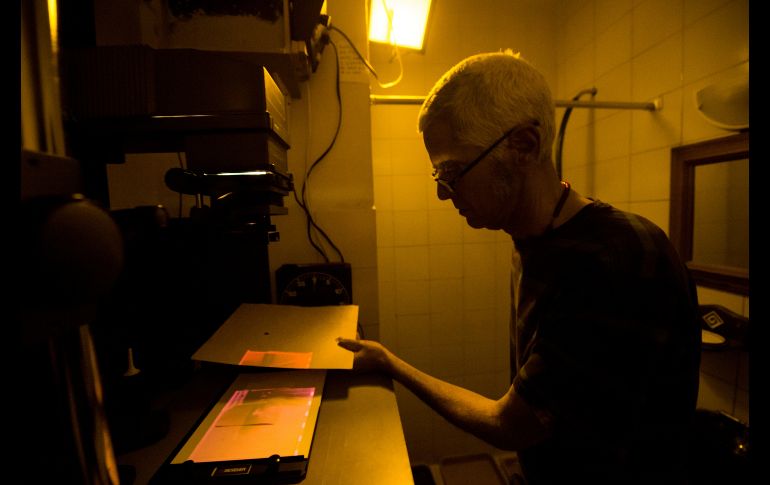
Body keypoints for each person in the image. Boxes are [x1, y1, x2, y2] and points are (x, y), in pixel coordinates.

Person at [337, 51, 702, 485]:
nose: (444, 194)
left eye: (451, 172)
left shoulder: (612, 259)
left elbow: (511, 424)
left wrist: (390, 364)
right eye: (439, 177)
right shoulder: (533, 241)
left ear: (524, 146)